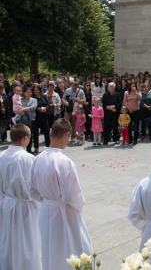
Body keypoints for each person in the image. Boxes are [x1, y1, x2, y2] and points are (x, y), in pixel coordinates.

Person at [30, 119, 93, 270]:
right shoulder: (64, 162)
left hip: (46, 210)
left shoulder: (37, 159)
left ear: (51, 133)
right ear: (67, 135)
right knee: (73, 249)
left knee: (51, 249)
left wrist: (47, 200)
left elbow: (32, 189)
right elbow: (72, 195)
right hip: (65, 211)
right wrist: (76, 206)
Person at [0, 124, 41, 270]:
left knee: (8, 239)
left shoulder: (2, 156)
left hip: (7, 202)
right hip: (25, 205)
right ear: (25, 138)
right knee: (27, 241)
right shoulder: (28, 158)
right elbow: (35, 185)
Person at [32, 83, 51, 149]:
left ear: (40, 90)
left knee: (46, 131)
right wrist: (38, 109)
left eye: (37, 90)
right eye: (34, 90)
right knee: (35, 133)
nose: (36, 91)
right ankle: (36, 147)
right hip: (36, 117)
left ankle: (48, 146)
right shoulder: (32, 98)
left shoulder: (44, 96)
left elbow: (48, 105)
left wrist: (45, 108)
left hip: (44, 116)